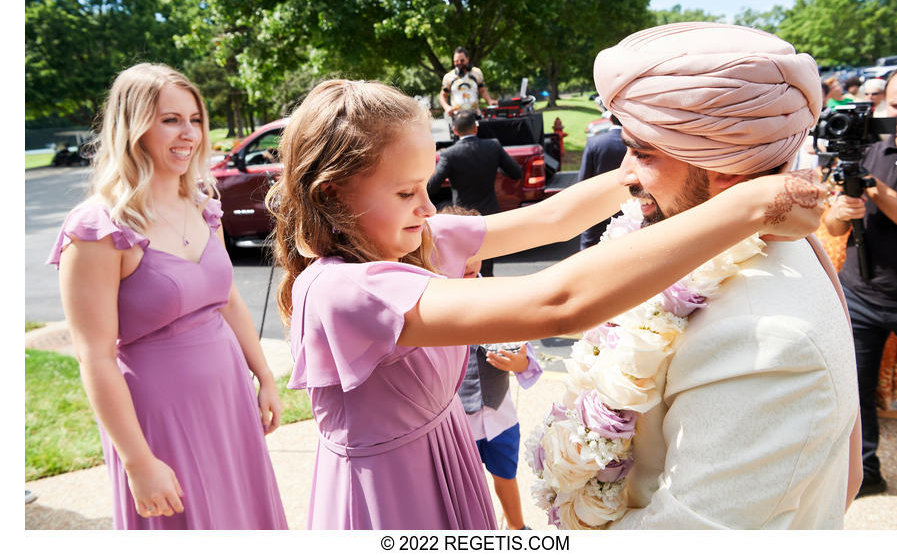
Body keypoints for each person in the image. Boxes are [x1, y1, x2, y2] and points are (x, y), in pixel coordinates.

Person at [265, 78, 827, 530]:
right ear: (332, 193)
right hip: (386, 490)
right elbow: (559, 302)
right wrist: (753, 205)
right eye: (405, 192)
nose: (428, 207)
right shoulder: (344, 290)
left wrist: (645, 165)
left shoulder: (420, 237)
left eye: (427, 185)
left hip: (446, 453)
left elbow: (556, 218)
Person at [590, 21, 861, 529]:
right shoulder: (701, 239)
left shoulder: (768, 345)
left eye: (642, 152)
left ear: (728, 171)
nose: (624, 176)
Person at [47, 63, 287, 529]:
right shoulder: (98, 229)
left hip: (228, 396)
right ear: (133, 126)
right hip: (159, 416)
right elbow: (94, 357)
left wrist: (264, 376)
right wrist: (138, 462)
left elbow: (229, 300)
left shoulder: (202, 202)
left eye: (195, 119)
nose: (189, 134)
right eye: (170, 119)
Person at [824, 60, 897, 498]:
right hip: (859, 292)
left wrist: (877, 192)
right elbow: (831, 228)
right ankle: (865, 474)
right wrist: (839, 213)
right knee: (856, 393)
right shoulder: (869, 148)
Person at [443, 205, 540, 530]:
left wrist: (519, 362)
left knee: (506, 476)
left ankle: (517, 528)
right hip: (457, 425)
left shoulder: (499, 297)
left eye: (475, 253)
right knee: (464, 490)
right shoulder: (433, 302)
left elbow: (526, 356)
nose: (469, 263)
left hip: (501, 417)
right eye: (459, 253)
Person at [426, 109, 522, 275]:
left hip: (463, 218)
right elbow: (516, 173)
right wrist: (497, 168)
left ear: (455, 131)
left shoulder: (449, 154)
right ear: (475, 128)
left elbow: (432, 186)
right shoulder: (493, 146)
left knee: (465, 268)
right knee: (487, 264)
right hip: (489, 215)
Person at [577, 114, 627, 249]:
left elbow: (584, 178)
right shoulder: (634, 144)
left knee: (589, 248)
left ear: (610, 119)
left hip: (597, 205)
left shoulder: (595, 142)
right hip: (627, 205)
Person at [439, 46, 496, 117]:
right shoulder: (448, 77)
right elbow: (443, 95)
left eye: (462, 60)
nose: (459, 63)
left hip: (475, 114)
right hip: (457, 116)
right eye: (456, 61)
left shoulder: (477, 73)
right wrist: (446, 107)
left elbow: (483, 90)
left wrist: (489, 100)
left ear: (467, 59)